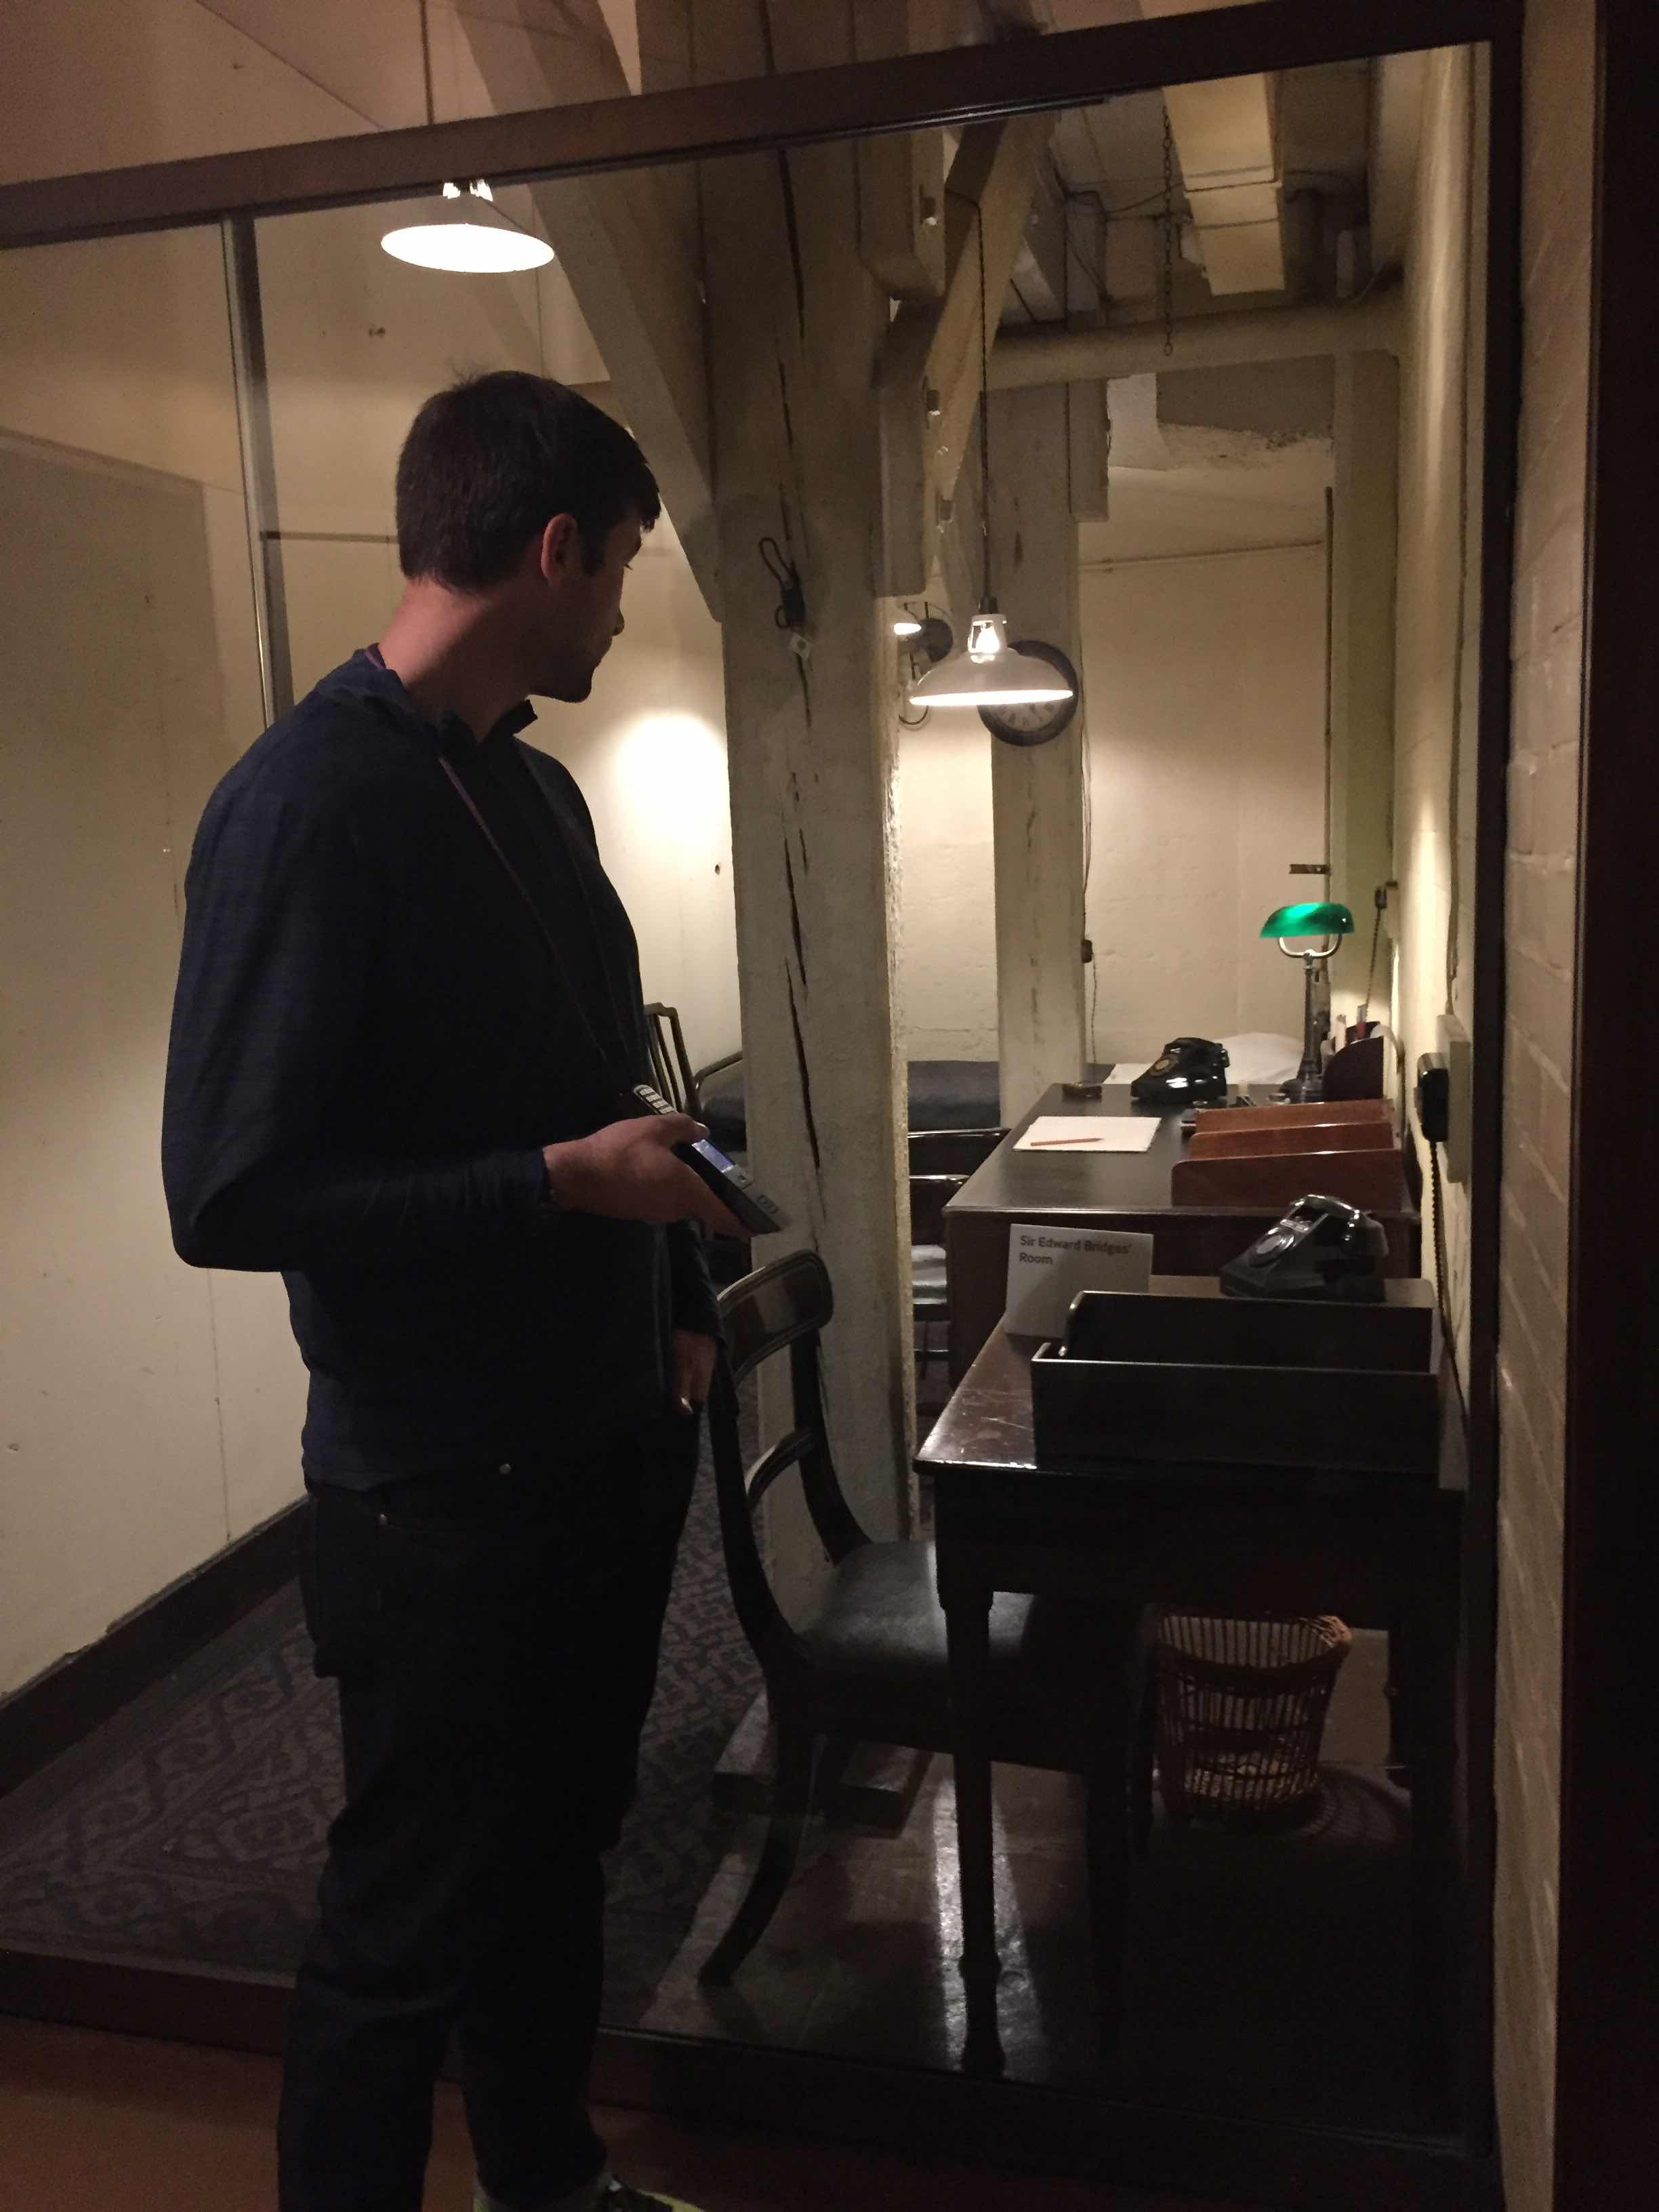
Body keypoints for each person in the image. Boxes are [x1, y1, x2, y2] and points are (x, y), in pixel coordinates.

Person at [163, 371, 743, 2212]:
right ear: (555, 547)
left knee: (559, 1857)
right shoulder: (303, 804)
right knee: (402, 1929)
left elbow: (597, 1079)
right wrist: (557, 1185)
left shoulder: (535, 792)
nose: (625, 609)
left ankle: (543, 2183)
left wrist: (673, 1284)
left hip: (599, 1432)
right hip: (437, 1487)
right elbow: (227, 1192)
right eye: (623, 564)